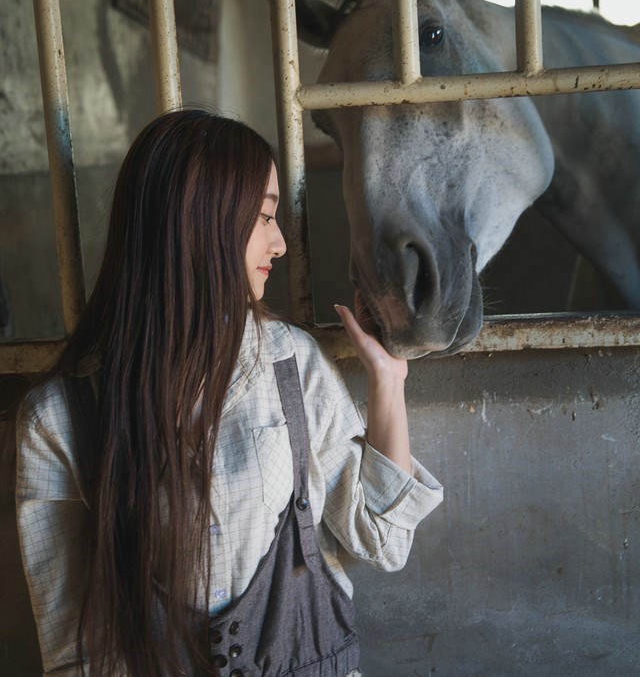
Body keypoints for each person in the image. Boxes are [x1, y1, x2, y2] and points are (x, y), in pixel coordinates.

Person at [15, 109, 443, 677]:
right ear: (201, 223)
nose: (282, 243)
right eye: (265, 216)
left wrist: (389, 380)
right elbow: (75, 653)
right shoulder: (58, 420)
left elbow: (384, 541)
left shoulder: (291, 364)